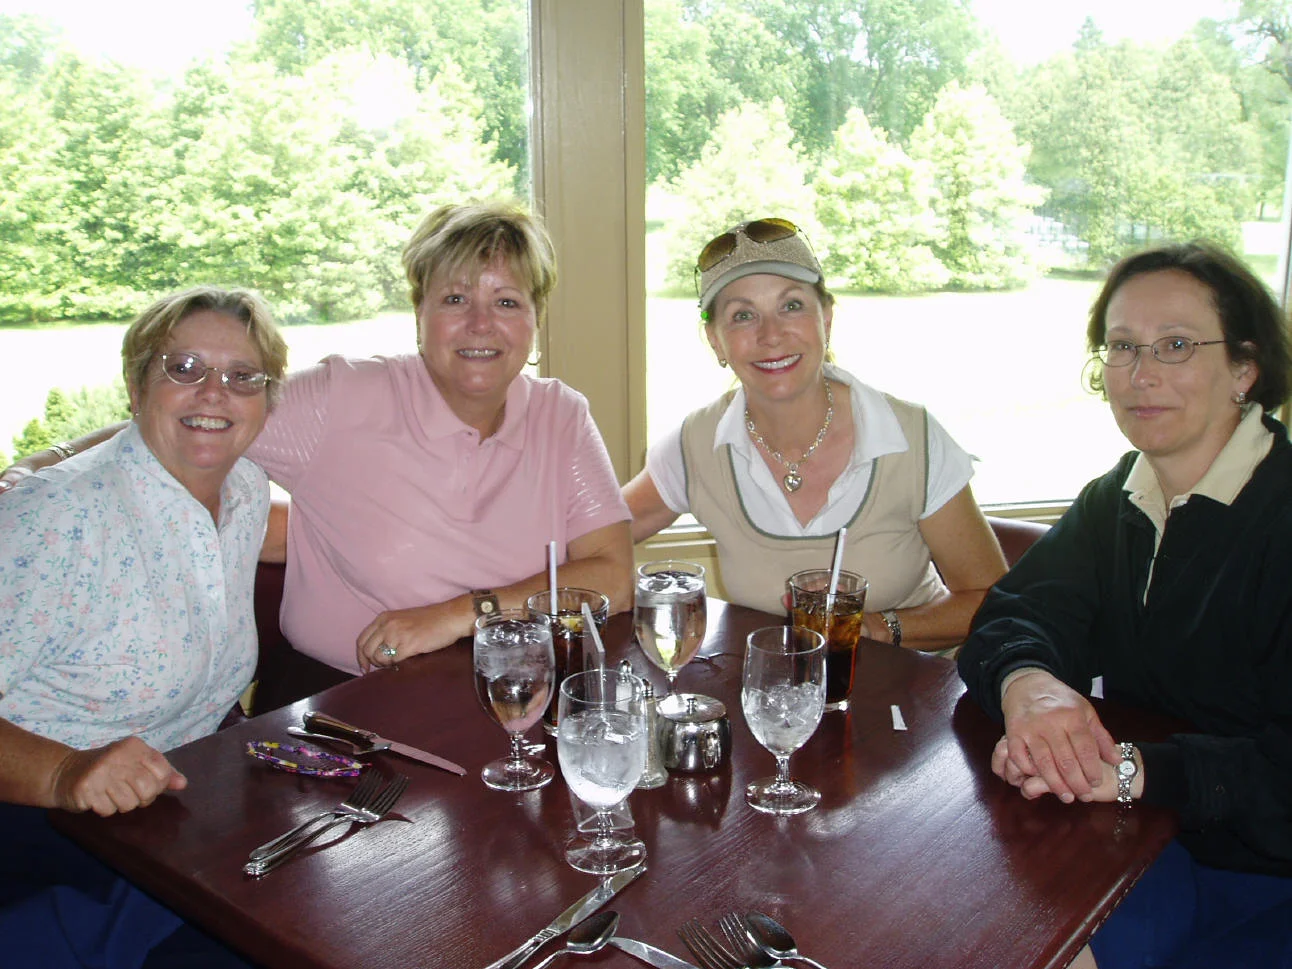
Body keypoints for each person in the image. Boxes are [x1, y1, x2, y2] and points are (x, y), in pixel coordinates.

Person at [0, 201, 634, 703]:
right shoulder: (344, 397)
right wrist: (47, 462)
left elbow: (612, 573)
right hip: (342, 701)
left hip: (518, 688)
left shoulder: (560, 414)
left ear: (535, 317)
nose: (480, 324)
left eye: (506, 302)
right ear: (419, 312)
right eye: (454, 299)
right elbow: (199, 411)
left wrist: (459, 616)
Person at [957, 242, 1292, 969]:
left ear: (1245, 367)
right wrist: (1033, 689)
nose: (1140, 375)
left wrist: (1137, 771)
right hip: (1147, 839)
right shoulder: (1120, 496)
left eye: (1175, 345)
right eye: (1121, 347)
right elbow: (1010, 616)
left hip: (1265, 870)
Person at [0, 286, 287, 968]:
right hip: (50, 826)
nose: (214, 393)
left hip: (179, 806)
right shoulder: (55, 520)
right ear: (137, 385)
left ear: (267, 402)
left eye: (242, 376)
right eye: (183, 368)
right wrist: (65, 770)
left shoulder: (246, 492)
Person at [623, 217, 1006, 649]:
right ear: (715, 340)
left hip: (914, 696)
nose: (771, 335)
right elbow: (594, 541)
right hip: (776, 698)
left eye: (791, 306)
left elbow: (991, 602)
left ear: (826, 317)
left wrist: (878, 628)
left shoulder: (911, 438)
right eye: (743, 315)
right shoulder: (695, 445)